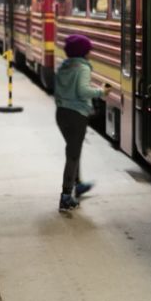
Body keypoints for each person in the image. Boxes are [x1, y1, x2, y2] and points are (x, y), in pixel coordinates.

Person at [54, 34, 111, 212]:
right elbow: (83, 91)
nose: (90, 53)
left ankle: (77, 184)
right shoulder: (83, 68)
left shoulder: (64, 66)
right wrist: (102, 91)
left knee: (74, 150)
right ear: (82, 52)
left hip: (61, 114)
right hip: (76, 115)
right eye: (88, 50)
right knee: (72, 155)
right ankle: (65, 196)